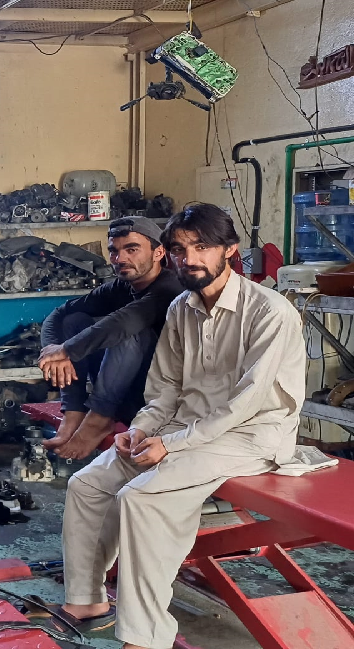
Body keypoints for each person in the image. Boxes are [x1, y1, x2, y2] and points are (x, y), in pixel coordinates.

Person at [57, 204, 306, 649]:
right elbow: (165, 389)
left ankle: (145, 636)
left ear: (229, 250)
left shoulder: (270, 312)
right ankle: (86, 601)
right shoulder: (180, 308)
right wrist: (140, 429)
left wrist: (170, 445)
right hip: (184, 424)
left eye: (202, 247)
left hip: (252, 433)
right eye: (179, 249)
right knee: (87, 484)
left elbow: (245, 404)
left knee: (142, 498)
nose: (189, 259)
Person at [39, 216, 184, 460]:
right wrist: (53, 350)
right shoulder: (121, 286)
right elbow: (59, 314)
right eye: (114, 251)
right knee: (74, 321)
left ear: (158, 252)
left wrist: (66, 350)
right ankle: (74, 409)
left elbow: (125, 321)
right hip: (119, 388)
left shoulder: (170, 288)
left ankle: (99, 418)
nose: (120, 259)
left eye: (132, 249)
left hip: (154, 398)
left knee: (129, 332)